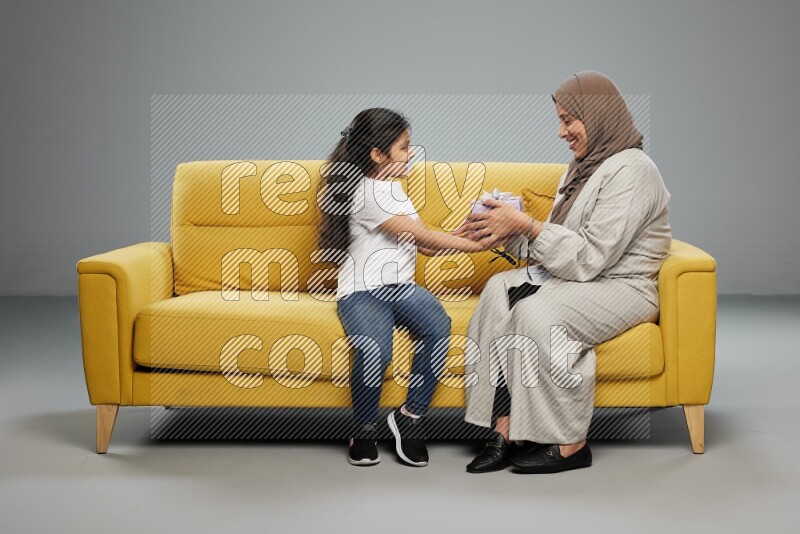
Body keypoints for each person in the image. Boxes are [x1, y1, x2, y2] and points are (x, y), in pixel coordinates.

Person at [455, 71, 672, 474]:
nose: (561, 132)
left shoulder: (634, 170)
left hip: (623, 286)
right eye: (560, 121)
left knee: (536, 312)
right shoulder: (582, 168)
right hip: (583, 278)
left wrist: (526, 226)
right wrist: (502, 229)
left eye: (569, 120)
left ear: (598, 114)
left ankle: (570, 442)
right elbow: (559, 245)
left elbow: (589, 256)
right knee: (499, 290)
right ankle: (506, 427)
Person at [317, 108, 495, 467]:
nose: (412, 153)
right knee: (375, 351)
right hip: (362, 291)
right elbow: (420, 235)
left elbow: (424, 244)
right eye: (404, 147)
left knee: (438, 325)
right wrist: (475, 247)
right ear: (377, 154)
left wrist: (470, 231)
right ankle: (364, 429)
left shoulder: (396, 192)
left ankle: (410, 417)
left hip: (399, 287)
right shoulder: (366, 192)